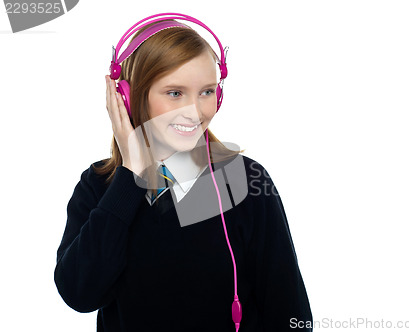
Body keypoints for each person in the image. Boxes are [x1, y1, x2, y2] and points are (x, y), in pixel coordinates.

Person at [54, 13, 313, 332]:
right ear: (128, 96)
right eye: (175, 93)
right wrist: (131, 175)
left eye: (206, 91)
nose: (196, 111)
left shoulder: (246, 180)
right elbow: (80, 294)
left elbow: (291, 314)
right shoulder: (98, 186)